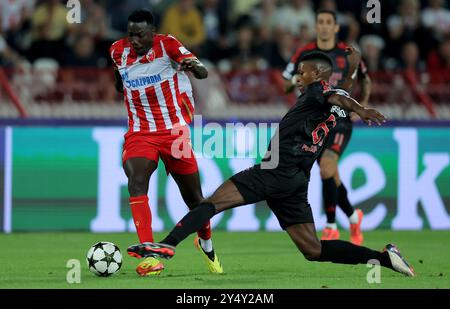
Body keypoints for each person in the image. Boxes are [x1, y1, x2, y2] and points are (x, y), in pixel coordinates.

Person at [126, 52, 415, 277]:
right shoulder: (329, 103)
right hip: (296, 180)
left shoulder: (319, 94)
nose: (298, 76)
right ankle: (383, 258)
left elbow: (337, 94)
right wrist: (352, 76)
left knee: (211, 203)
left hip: (275, 169)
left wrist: (362, 108)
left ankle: (166, 245)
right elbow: (342, 94)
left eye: (302, 71)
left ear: (316, 73)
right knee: (313, 250)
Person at [109, 9, 223, 276]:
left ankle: (205, 241)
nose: (134, 40)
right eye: (131, 35)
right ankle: (149, 255)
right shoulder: (117, 51)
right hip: (140, 132)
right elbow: (118, 81)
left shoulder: (168, 44)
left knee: (195, 199)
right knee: (137, 180)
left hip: (174, 132)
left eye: (140, 35)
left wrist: (192, 66)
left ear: (152, 33)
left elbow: (204, 72)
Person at [282, 9, 372, 244]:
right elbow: (286, 85)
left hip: (340, 118)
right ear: (316, 26)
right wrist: (295, 81)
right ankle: (353, 216)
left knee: (326, 167)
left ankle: (330, 226)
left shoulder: (346, 52)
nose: (323, 26)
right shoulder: (305, 52)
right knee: (331, 173)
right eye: (319, 22)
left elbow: (365, 79)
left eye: (327, 22)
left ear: (335, 27)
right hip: (314, 122)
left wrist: (361, 105)